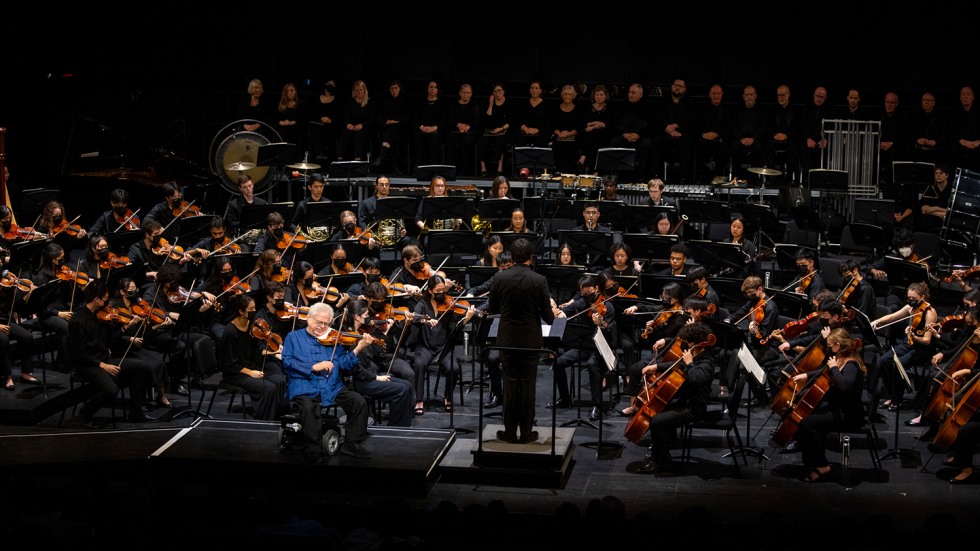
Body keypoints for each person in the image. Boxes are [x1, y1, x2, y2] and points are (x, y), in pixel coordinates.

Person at [281, 302, 374, 459]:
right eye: (319, 322)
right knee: (309, 407)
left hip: (331, 385)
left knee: (358, 402)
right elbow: (287, 361)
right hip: (304, 384)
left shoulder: (332, 338)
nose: (322, 327)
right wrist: (313, 366)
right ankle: (313, 449)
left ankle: (352, 444)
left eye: (326, 324)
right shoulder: (293, 337)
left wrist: (358, 348)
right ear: (309, 319)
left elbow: (344, 364)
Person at [485, 238, 554, 443]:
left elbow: (494, 308)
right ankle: (525, 433)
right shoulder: (539, 280)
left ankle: (508, 432)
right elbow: (548, 318)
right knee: (528, 385)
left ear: (511, 257)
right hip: (530, 340)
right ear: (531, 258)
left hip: (506, 338)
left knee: (510, 385)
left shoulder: (500, 278)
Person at [68, 279, 159, 427]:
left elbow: (110, 340)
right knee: (111, 390)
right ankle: (86, 412)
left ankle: (136, 412)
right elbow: (79, 354)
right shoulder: (78, 321)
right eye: (105, 299)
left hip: (104, 359)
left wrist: (126, 327)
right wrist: (103, 365)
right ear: (97, 300)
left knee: (143, 368)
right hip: (87, 365)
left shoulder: (102, 316)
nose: (107, 302)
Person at [635, 321, 717, 473]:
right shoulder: (695, 355)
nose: (687, 345)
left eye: (689, 342)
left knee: (657, 421)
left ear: (698, 343)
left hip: (695, 408)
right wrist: (656, 367)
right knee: (658, 410)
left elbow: (696, 378)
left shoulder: (707, 361)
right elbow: (677, 363)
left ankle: (658, 460)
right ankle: (663, 451)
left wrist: (690, 363)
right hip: (684, 402)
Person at [789, 328, 867, 483]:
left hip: (849, 414)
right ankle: (812, 462)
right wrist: (806, 375)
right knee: (807, 420)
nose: (829, 348)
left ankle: (821, 465)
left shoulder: (850, 364)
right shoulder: (840, 356)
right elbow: (825, 372)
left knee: (806, 424)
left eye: (831, 345)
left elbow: (845, 386)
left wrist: (835, 368)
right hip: (838, 407)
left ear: (838, 345)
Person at [549, 273, 616, 421]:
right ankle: (565, 399)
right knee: (558, 363)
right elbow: (564, 311)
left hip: (599, 347)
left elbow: (609, 332)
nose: (585, 294)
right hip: (583, 345)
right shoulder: (581, 303)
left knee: (593, 365)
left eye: (588, 290)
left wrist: (600, 324)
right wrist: (559, 312)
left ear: (596, 288)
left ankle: (597, 405)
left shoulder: (608, 305)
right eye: (582, 291)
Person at [341, 300, 415, 427]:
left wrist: (386, 333)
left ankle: (404, 426)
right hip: (362, 382)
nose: (368, 318)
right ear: (357, 317)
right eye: (365, 315)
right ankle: (396, 426)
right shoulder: (350, 339)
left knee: (407, 385)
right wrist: (377, 377)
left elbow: (379, 350)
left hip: (370, 376)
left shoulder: (362, 333)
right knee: (401, 390)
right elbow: (356, 370)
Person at [412, 273, 477, 414]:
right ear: (430, 291)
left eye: (443, 291)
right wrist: (426, 320)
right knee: (419, 364)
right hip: (425, 347)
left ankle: (448, 396)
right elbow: (415, 319)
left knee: (454, 369)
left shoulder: (449, 305)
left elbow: (456, 327)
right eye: (438, 291)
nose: (441, 294)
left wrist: (467, 318)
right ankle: (419, 400)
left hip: (443, 347)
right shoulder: (422, 305)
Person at [218, 294, 287, 420]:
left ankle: (280, 415)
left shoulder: (252, 327)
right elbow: (229, 364)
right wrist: (251, 373)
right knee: (269, 387)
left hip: (253, 366)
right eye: (251, 309)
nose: (254, 312)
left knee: (280, 380)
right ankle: (264, 419)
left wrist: (272, 353)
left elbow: (256, 350)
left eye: (254, 308)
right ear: (241, 311)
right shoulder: (230, 331)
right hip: (236, 373)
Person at [871, 281, 938, 411]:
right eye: (909, 298)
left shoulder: (929, 313)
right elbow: (892, 317)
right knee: (884, 360)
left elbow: (927, 340)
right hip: (910, 343)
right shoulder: (911, 308)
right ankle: (891, 395)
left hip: (923, 349)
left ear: (923, 297)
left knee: (898, 364)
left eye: (914, 298)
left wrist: (913, 336)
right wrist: (877, 322)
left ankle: (897, 400)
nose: (910, 301)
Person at [652, 77, 696, 183]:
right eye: (675, 85)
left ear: (685, 89)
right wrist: (668, 129)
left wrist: (677, 125)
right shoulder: (662, 101)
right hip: (664, 134)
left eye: (680, 86)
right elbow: (657, 118)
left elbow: (692, 120)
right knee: (655, 142)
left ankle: (684, 177)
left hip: (681, 134)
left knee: (686, 143)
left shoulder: (690, 103)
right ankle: (656, 176)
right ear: (671, 87)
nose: (677, 88)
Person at [610, 82, 653, 180]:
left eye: (633, 93)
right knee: (614, 141)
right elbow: (615, 124)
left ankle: (641, 176)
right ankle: (618, 175)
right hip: (624, 137)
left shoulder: (647, 108)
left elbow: (650, 126)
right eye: (629, 92)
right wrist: (624, 134)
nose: (630, 94)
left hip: (639, 137)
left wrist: (638, 135)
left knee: (647, 142)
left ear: (641, 94)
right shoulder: (621, 106)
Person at [358, 175, 413, 251]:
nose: (384, 187)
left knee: (406, 240)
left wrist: (402, 230)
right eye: (381, 185)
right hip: (375, 236)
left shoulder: (394, 202)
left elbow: (400, 219)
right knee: (371, 244)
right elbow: (361, 222)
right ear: (376, 186)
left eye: (386, 185)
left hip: (393, 236)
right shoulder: (366, 203)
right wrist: (368, 235)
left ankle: (405, 262)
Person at [695, 83, 731, 184]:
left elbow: (729, 127)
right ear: (710, 94)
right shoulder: (702, 108)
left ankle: (719, 176)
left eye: (718, 93)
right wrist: (704, 134)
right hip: (705, 138)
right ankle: (700, 175)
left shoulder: (727, 110)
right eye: (714, 93)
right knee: (699, 145)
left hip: (720, 138)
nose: (716, 96)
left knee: (722, 147)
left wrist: (717, 134)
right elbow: (697, 124)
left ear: (722, 94)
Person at [373, 79, 410, 174]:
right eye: (392, 88)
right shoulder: (385, 101)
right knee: (393, 136)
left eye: (396, 88)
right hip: (388, 128)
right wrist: (387, 121)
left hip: (402, 128)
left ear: (400, 89)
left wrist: (397, 121)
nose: (394, 90)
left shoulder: (406, 101)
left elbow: (408, 117)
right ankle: (395, 167)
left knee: (393, 132)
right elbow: (379, 117)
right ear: (389, 90)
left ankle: (382, 156)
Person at [730, 85, 766, 180]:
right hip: (740, 139)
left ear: (755, 96)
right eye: (747, 94)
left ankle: (754, 177)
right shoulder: (736, 110)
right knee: (734, 148)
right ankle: (736, 176)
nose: (749, 96)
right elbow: (733, 126)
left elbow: (763, 127)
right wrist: (741, 138)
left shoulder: (762, 110)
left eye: (751, 94)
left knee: (758, 148)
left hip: (755, 139)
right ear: (743, 96)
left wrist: (753, 138)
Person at [577, 84, 614, 174]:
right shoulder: (588, 107)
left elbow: (605, 124)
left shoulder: (609, 108)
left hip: (604, 133)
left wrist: (592, 126)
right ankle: (596, 170)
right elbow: (584, 122)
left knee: (595, 134)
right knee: (592, 136)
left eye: (601, 95)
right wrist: (595, 123)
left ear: (605, 96)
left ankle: (583, 157)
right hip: (589, 134)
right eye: (597, 95)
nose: (599, 97)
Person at [478, 82, 512, 178]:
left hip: (503, 129)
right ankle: (483, 168)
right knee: (482, 140)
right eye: (495, 91)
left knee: (500, 140)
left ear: (503, 91)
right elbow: (486, 120)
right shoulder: (489, 103)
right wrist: (491, 104)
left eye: (499, 90)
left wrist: (501, 128)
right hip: (490, 129)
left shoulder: (508, 103)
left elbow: (512, 121)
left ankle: (499, 168)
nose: (497, 93)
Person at [446, 83, 481, 176]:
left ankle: (466, 170)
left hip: (470, 131)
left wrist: (468, 126)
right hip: (456, 130)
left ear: (471, 94)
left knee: (466, 141)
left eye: (468, 93)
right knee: (450, 140)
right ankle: (451, 169)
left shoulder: (474, 105)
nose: (466, 95)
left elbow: (477, 120)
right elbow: (450, 119)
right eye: (464, 92)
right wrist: (459, 124)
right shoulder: (454, 105)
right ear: (460, 93)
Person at [337, 80, 376, 162]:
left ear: (364, 90)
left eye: (361, 89)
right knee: (344, 133)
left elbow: (372, 119)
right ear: (354, 91)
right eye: (357, 90)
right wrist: (348, 124)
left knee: (359, 134)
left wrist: (362, 125)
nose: (359, 92)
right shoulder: (350, 102)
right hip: (353, 126)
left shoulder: (370, 102)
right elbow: (346, 117)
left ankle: (357, 160)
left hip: (366, 127)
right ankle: (340, 159)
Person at [765, 84, 799, 179]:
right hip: (774, 139)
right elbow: (767, 126)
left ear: (789, 94)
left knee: (794, 148)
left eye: (783, 95)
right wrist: (774, 135)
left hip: (789, 139)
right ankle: (770, 177)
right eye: (778, 95)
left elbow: (796, 128)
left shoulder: (795, 110)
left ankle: (788, 178)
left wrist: (787, 135)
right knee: (767, 147)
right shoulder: (771, 110)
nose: (780, 97)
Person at [878, 91, 910, 188]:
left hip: (896, 149)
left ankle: (891, 188)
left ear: (896, 104)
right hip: (880, 148)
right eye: (887, 102)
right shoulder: (879, 115)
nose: (889, 105)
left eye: (892, 103)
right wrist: (879, 143)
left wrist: (892, 143)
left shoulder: (903, 118)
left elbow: (905, 136)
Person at [800, 86, 831, 182]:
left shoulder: (829, 110)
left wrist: (825, 138)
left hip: (822, 139)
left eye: (821, 97)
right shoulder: (806, 109)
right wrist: (808, 138)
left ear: (825, 98)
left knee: (825, 149)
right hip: (809, 138)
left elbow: (831, 126)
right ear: (813, 96)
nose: (819, 99)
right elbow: (802, 125)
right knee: (803, 148)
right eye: (817, 96)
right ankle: (807, 177)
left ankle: (819, 178)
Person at [551, 84, 583, 175]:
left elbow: (579, 127)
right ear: (562, 95)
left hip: (573, 139)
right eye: (565, 94)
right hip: (558, 138)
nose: (567, 96)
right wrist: (559, 133)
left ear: (573, 96)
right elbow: (552, 125)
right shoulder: (556, 108)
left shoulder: (578, 109)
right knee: (557, 146)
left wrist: (568, 134)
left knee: (570, 149)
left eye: (570, 94)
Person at [413, 80, 446, 167]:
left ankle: (434, 168)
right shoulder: (420, 102)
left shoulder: (442, 103)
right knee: (418, 138)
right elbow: (416, 117)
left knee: (434, 139)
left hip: (437, 130)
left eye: (435, 87)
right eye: (431, 87)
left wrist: (434, 127)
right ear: (427, 88)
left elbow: (444, 119)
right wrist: (421, 127)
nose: (433, 89)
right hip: (422, 129)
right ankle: (418, 168)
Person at [910, 91, 948, 165]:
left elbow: (945, 133)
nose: (926, 102)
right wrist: (917, 139)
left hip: (936, 151)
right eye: (924, 100)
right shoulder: (914, 116)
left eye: (929, 100)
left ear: (934, 103)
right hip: (919, 151)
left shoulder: (941, 117)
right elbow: (910, 132)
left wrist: (936, 141)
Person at [311, 79, 344, 163]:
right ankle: (320, 153)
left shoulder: (338, 99)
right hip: (319, 123)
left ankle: (325, 153)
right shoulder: (317, 99)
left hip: (333, 124)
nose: (331, 85)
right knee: (317, 127)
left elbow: (340, 115)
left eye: (333, 84)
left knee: (326, 128)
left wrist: (330, 120)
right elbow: (313, 114)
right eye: (329, 83)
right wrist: (321, 119)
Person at [515, 79, 552, 149]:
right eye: (532, 88)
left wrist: (537, 129)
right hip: (525, 130)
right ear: (529, 90)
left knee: (541, 140)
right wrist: (525, 128)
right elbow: (519, 119)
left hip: (540, 131)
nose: (534, 90)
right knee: (519, 139)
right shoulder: (524, 103)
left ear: (540, 90)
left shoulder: (546, 104)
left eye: (536, 88)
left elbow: (548, 121)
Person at [919, 163, 952, 232]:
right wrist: (938, 213)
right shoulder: (930, 188)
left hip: (947, 219)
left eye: (941, 173)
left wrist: (934, 208)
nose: (938, 175)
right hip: (933, 217)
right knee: (924, 221)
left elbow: (951, 211)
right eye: (936, 173)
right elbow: (923, 208)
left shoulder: (952, 190)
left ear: (947, 175)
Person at [273, 82, 306, 153]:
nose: (290, 93)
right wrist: (282, 122)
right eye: (287, 91)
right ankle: (279, 153)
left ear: (295, 92)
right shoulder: (281, 105)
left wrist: (291, 122)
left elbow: (302, 119)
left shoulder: (300, 104)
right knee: (281, 131)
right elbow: (276, 118)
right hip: (283, 127)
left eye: (291, 90)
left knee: (286, 131)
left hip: (295, 128)